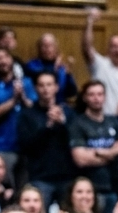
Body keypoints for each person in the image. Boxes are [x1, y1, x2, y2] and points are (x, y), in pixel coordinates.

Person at [16, 70, 76, 204]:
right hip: (40, 177)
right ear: (36, 88)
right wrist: (47, 127)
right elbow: (26, 146)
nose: (45, 89)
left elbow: (77, 142)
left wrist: (63, 124)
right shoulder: (27, 115)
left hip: (67, 176)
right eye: (41, 85)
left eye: (49, 85)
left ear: (56, 87)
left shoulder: (69, 113)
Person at [69, 80, 118, 209]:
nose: (96, 98)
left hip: (116, 186)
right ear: (85, 97)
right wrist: (112, 152)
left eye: (100, 94)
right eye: (92, 95)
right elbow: (80, 159)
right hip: (91, 190)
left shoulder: (113, 122)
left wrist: (99, 153)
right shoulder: (77, 124)